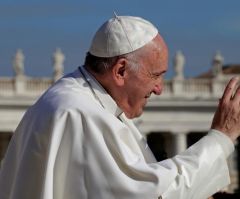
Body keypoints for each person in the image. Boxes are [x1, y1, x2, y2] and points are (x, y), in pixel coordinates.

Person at [0, 14, 240, 199]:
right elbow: (153, 194)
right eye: (156, 76)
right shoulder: (79, 112)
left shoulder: (86, 100)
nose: (160, 89)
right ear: (121, 70)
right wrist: (221, 137)